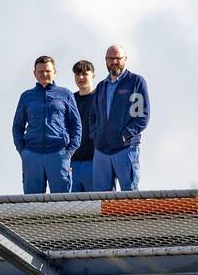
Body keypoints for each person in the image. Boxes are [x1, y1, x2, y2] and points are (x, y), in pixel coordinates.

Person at [11, 55, 81, 194]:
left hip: (58, 154)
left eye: (48, 71)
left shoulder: (65, 94)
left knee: (61, 202)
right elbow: (17, 126)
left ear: (54, 71)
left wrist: (68, 152)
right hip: (32, 154)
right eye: (40, 71)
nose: (44, 74)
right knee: (33, 203)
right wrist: (23, 151)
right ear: (34, 73)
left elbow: (76, 125)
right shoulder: (26, 96)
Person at [87, 44, 150, 191]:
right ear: (105, 60)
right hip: (101, 151)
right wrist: (96, 136)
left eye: (118, 58)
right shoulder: (101, 86)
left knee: (129, 197)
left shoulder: (135, 82)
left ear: (125, 59)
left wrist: (125, 136)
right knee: (101, 199)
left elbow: (142, 115)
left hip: (126, 149)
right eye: (110, 58)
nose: (114, 62)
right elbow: (93, 116)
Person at [70, 59, 97, 192]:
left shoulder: (101, 97)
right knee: (72, 208)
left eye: (85, 74)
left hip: (95, 161)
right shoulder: (69, 99)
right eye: (77, 74)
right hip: (72, 162)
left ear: (93, 75)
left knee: (96, 205)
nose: (80, 78)